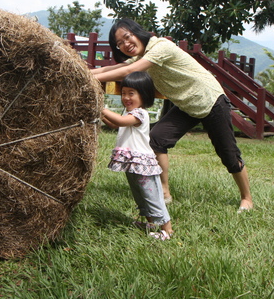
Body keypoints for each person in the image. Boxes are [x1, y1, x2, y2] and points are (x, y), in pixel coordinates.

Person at [92, 19, 253, 212]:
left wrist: (88, 78)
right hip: (186, 105)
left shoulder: (161, 46)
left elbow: (128, 71)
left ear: (138, 33)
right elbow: (112, 69)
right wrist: (83, 72)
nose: (125, 45)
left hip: (210, 100)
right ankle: (165, 193)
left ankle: (246, 198)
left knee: (229, 154)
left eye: (127, 37)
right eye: (119, 44)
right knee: (156, 140)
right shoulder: (142, 56)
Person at [101, 71, 173, 240]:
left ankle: (167, 229)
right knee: (140, 194)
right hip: (131, 163)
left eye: (131, 93)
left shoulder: (140, 114)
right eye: (123, 93)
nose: (126, 97)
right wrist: (101, 116)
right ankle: (150, 223)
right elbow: (114, 124)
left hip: (143, 164)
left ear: (144, 95)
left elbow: (119, 121)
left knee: (152, 195)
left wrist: (101, 107)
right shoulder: (128, 113)